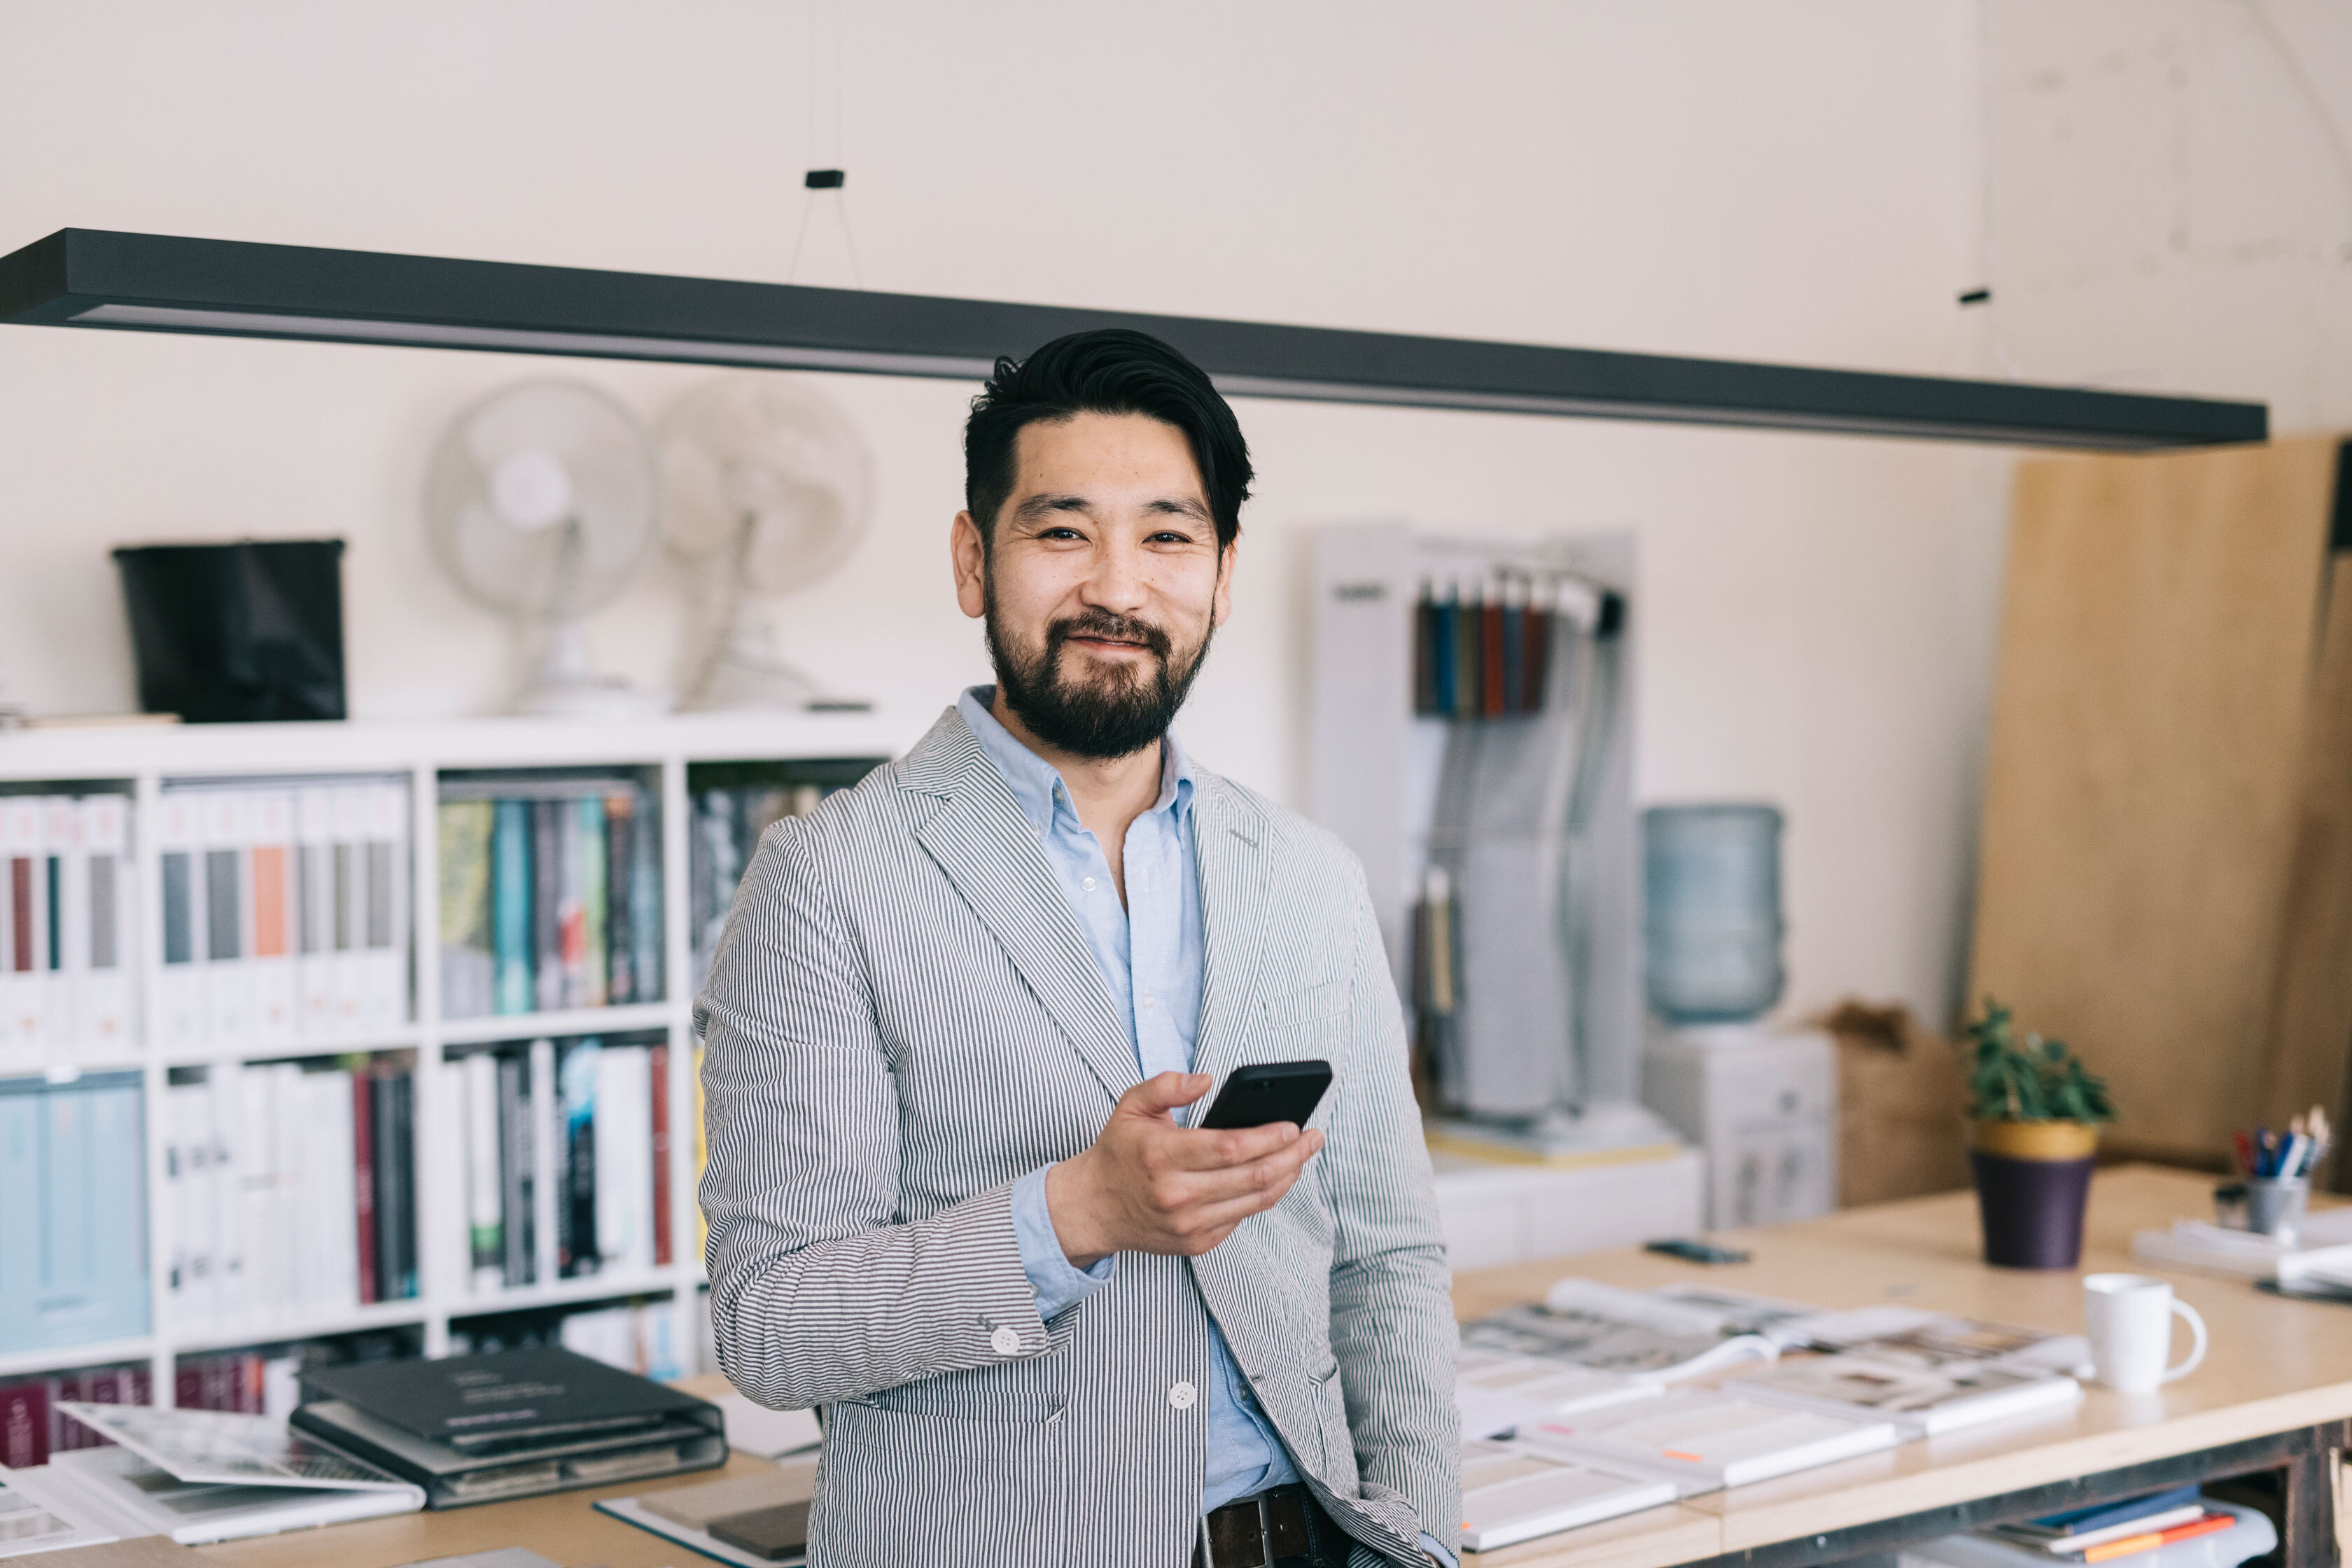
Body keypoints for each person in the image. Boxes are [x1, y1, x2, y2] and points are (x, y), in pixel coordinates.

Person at [699, 328, 1459, 1567]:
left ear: (1221, 571)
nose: (1119, 586)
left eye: (1169, 536)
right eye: (1062, 533)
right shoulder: (828, 879)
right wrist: (1076, 1211)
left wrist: (1421, 1537)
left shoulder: (1310, 878)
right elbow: (773, 1323)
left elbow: (1387, 1260)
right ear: (972, 560)